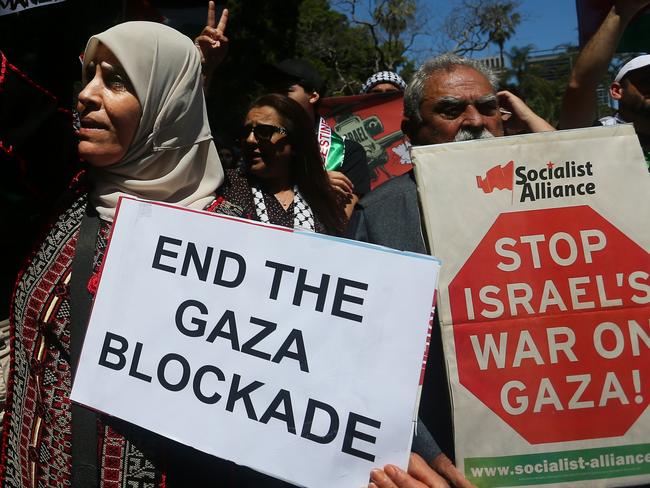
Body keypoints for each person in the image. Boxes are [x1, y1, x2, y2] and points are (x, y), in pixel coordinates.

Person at [0, 20, 227, 487]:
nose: (86, 94)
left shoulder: (232, 235)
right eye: (89, 75)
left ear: (168, 104)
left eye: (117, 80)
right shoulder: (71, 193)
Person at [349, 53, 554, 487]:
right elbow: (363, 359)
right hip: (442, 459)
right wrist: (423, 453)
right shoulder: (381, 216)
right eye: (451, 110)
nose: (475, 121)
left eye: (486, 107)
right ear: (409, 132)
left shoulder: (552, 197)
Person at [214, 93, 347, 235]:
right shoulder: (224, 185)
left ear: (295, 141)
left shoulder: (321, 200)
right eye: (246, 132)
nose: (250, 139)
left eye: (264, 132)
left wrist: (317, 182)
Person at [265, 58, 371, 218]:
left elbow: (340, 222)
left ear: (313, 96)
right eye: (272, 90)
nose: (276, 98)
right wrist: (315, 183)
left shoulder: (348, 152)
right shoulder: (258, 141)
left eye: (286, 90)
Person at [559, 0, 650, 169]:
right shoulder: (599, 136)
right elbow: (580, 86)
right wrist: (622, 12)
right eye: (647, 81)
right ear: (617, 91)